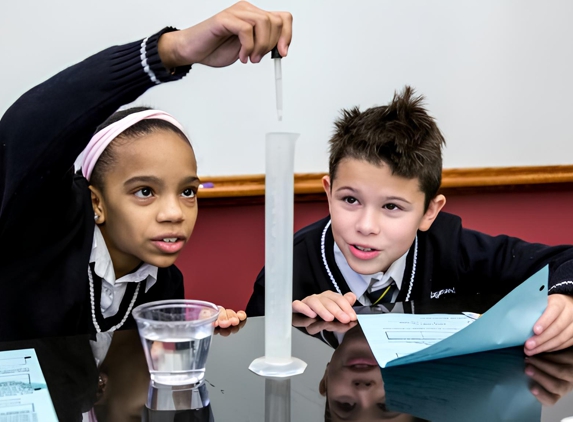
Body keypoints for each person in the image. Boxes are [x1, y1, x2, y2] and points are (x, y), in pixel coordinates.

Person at [0, 1, 292, 340]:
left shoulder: (165, 282)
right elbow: (29, 127)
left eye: (187, 192)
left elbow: (138, 386)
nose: (173, 214)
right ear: (97, 203)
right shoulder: (43, 233)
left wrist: (200, 341)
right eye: (144, 191)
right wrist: (170, 51)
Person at [246, 86, 573, 356]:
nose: (366, 225)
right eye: (350, 200)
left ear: (429, 212)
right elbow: (253, 355)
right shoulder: (290, 266)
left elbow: (565, 261)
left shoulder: (452, 247)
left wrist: (566, 300)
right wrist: (293, 321)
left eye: (391, 206)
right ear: (328, 192)